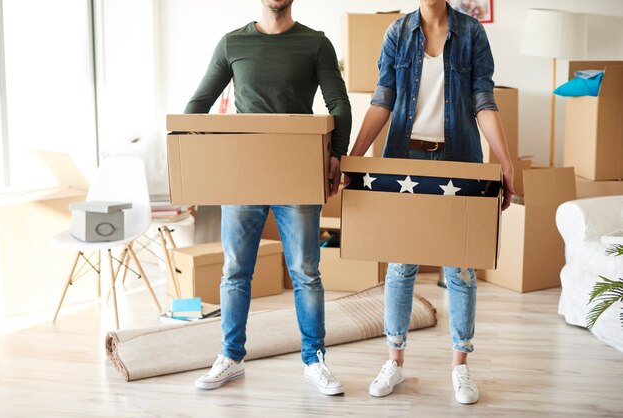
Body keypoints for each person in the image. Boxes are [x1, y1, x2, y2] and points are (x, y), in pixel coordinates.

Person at [346, 0, 514, 404]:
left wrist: (506, 163)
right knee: (402, 264)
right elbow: (382, 99)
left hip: (459, 159)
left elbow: (483, 101)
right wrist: (354, 157)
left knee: (460, 267)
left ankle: (460, 367)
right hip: (405, 159)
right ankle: (395, 362)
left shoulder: (471, 33)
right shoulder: (397, 34)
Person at [184, 0, 351, 395]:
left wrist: (335, 156)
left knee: (305, 273)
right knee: (235, 271)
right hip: (243, 178)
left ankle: (315, 360)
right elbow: (196, 107)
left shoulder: (315, 43)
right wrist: (206, 162)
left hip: (297, 175)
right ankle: (231, 357)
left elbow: (339, 104)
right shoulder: (232, 44)